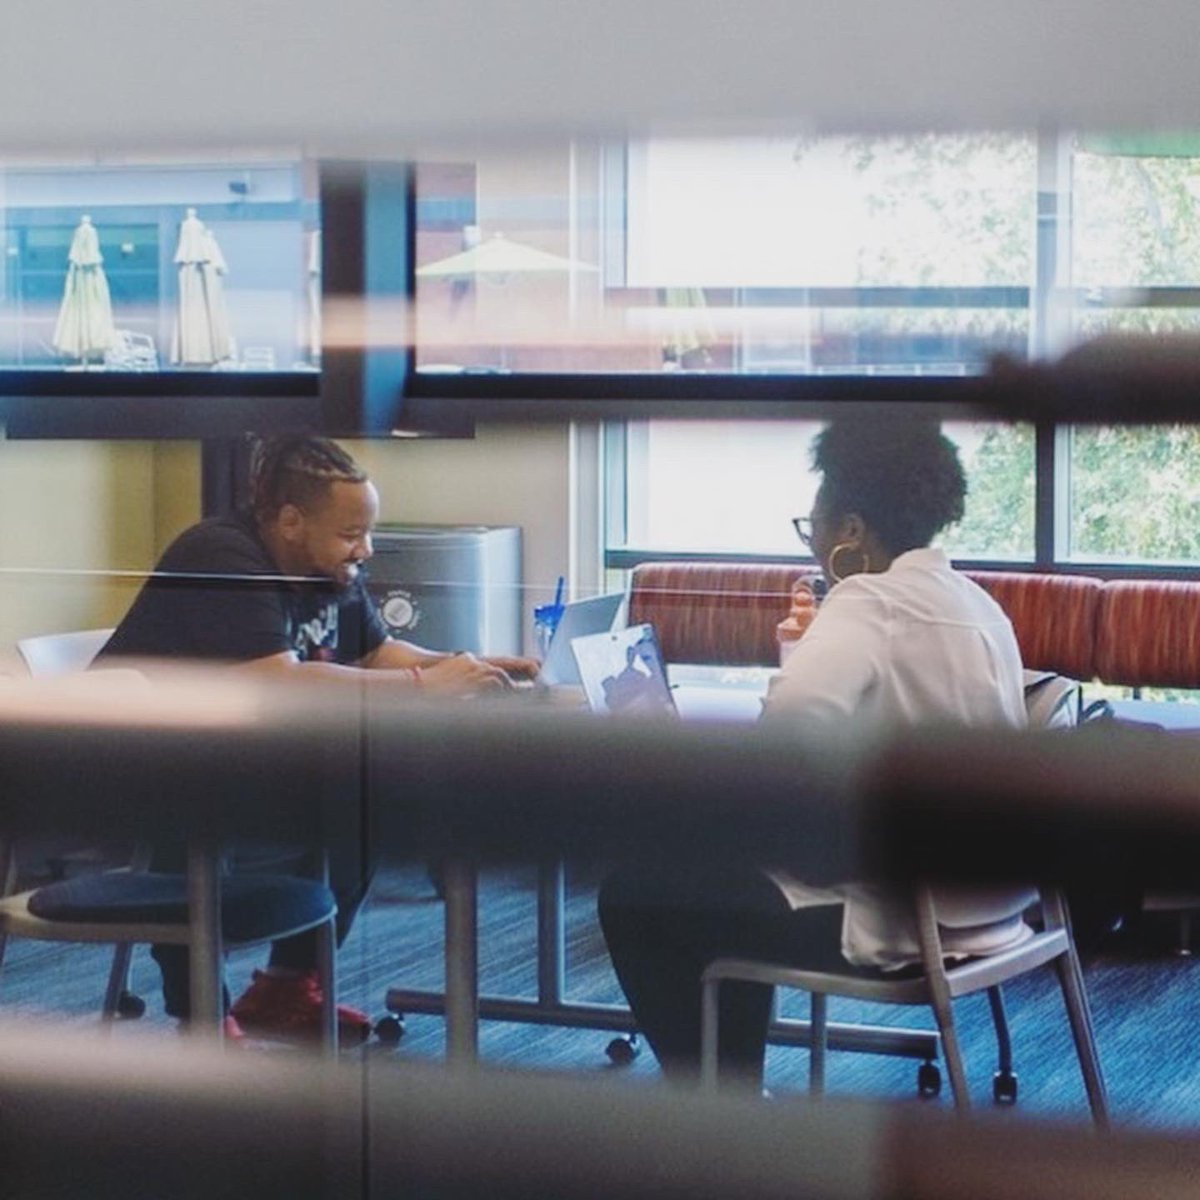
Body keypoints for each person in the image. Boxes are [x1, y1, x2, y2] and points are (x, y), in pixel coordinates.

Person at [598, 416, 1032, 1088]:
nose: (813, 539)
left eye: (814, 520)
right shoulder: (977, 604)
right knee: (719, 883)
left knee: (641, 891)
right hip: (997, 907)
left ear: (851, 529)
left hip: (907, 921)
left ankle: (722, 1110)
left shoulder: (867, 603)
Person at [98, 434, 538, 1043]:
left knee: (366, 793)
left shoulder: (330, 568)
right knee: (195, 811)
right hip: (140, 763)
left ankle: (285, 984)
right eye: (352, 534)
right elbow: (277, 679)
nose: (367, 548)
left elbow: (376, 650)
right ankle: (199, 1012)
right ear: (290, 520)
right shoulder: (221, 554)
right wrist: (422, 686)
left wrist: (464, 663)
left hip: (244, 757)